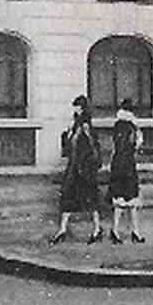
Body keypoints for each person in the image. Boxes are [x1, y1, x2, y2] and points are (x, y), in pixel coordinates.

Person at [49, 95, 102, 244]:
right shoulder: (76, 125)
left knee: (88, 198)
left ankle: (96, 229)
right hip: (75, 167)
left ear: (83, 108)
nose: (75, 109)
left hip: (83, 169)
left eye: (78, 107)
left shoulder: (85, 126)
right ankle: (63, 229)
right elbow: (69, 148)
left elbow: (91, 146)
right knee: (69, 197)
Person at [107, 98, 146, 244]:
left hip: (118, 164)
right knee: (131, 199)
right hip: (128, 165)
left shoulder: (118, 125)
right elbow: (135, 144)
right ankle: (134, 231)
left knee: (120, 199)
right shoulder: (132, 126)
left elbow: (116, 146)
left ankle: (116, 230)